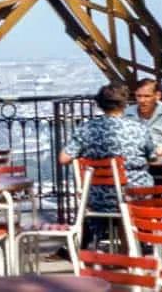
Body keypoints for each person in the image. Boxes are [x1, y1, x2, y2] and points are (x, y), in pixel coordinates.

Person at [59, 83, 155, 246]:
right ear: (125, 104)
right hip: (136, 194)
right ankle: (133, 250)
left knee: (108, 202)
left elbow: (64, 158)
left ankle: (94, 246)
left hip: (98, 197)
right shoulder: (139, 128)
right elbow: (152, 156)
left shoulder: (86, 129)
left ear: (100, 104)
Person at [126, 78, 162, 156]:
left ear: (157, 96)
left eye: (147, 96)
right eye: (139, 96)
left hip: (159, 162)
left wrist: (148, 152)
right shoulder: (126, 113)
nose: (142, 100)